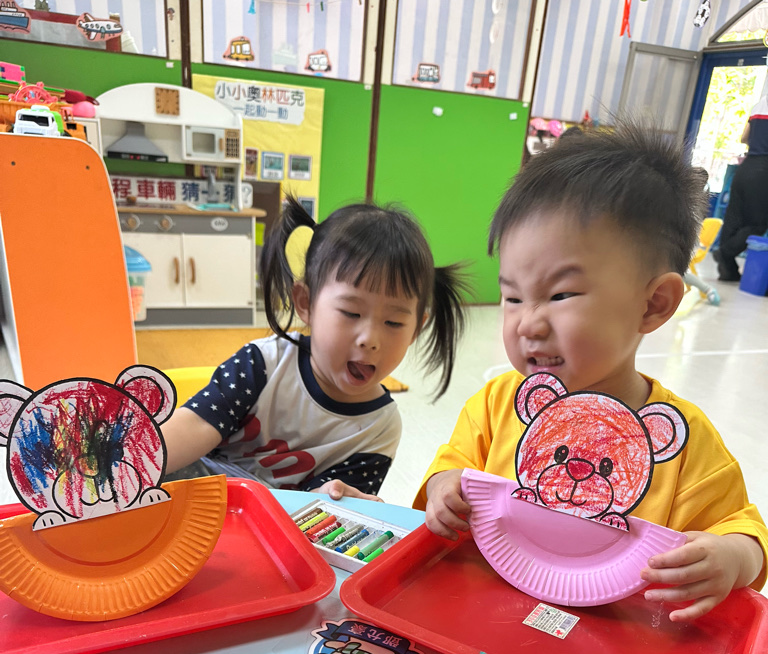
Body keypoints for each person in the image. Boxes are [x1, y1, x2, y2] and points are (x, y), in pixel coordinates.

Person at [416, 120, 768, 622]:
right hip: (488, 615)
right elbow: (451, 468)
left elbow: (743, 531)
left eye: (560, 294)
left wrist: (732, 556)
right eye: (512, 297)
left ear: (653, 304)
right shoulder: (495, 405)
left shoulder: (686, 442)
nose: (528, 323)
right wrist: (443, 487)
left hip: (617, 640)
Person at [162, 195, 466, 500]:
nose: (370, 339)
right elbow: (195, 427)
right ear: (305, 303)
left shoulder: (378, 428)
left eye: (394, 323)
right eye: (351, 313)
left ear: (416, 329)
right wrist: (139, 466)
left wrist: (339, 499)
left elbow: (319, 508)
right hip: (203, 493)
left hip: (278, 518)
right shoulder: (264, 363)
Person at [714, 79, 768, 281]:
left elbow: (744, 138)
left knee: (734, 220)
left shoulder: (760, 103)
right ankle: (725, 253)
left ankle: (728, 271)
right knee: (758, 224)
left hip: (746, 168)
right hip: (764, 171)